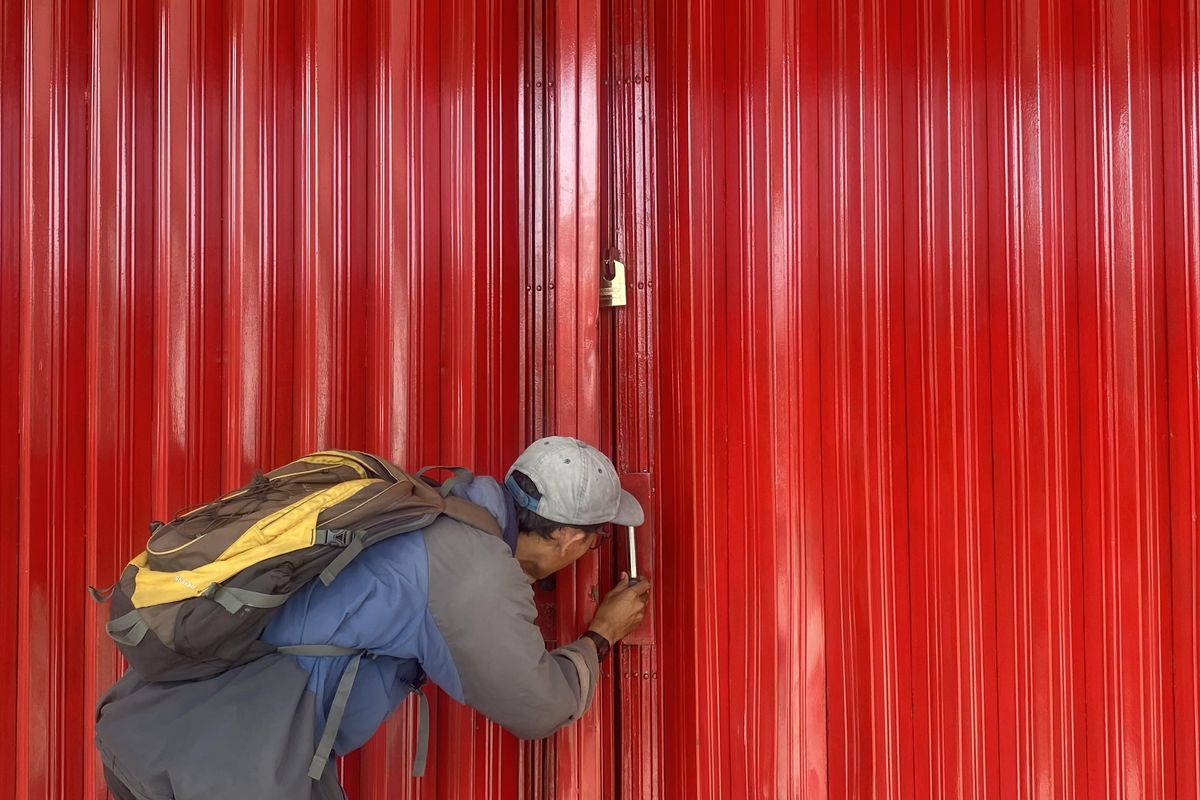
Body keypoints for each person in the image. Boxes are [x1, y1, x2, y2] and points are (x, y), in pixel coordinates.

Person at [95, 436, 651, 800]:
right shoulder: (474, 570)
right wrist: (601, 636)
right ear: (572, 538)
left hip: (154, 731)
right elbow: (537, 706)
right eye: (598, 539)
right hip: (227, 770)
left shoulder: (426, 505)